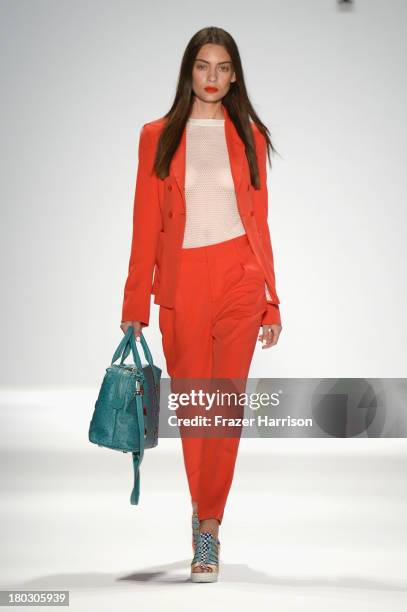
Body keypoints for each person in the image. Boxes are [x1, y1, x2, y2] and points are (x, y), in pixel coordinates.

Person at [120, 26, 282, 582]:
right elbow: (144, 223)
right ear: (189, 71)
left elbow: (259, 222)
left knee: (226, 408)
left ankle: (209, 526)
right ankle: (201, 510)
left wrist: (272, 299)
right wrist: (134, 301)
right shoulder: (157, 135)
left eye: (222, 67)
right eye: (202, 66)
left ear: (235, 75)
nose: (212, 77)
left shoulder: (251, 135)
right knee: (195, 407)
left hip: (239, 275)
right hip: (183, 281)